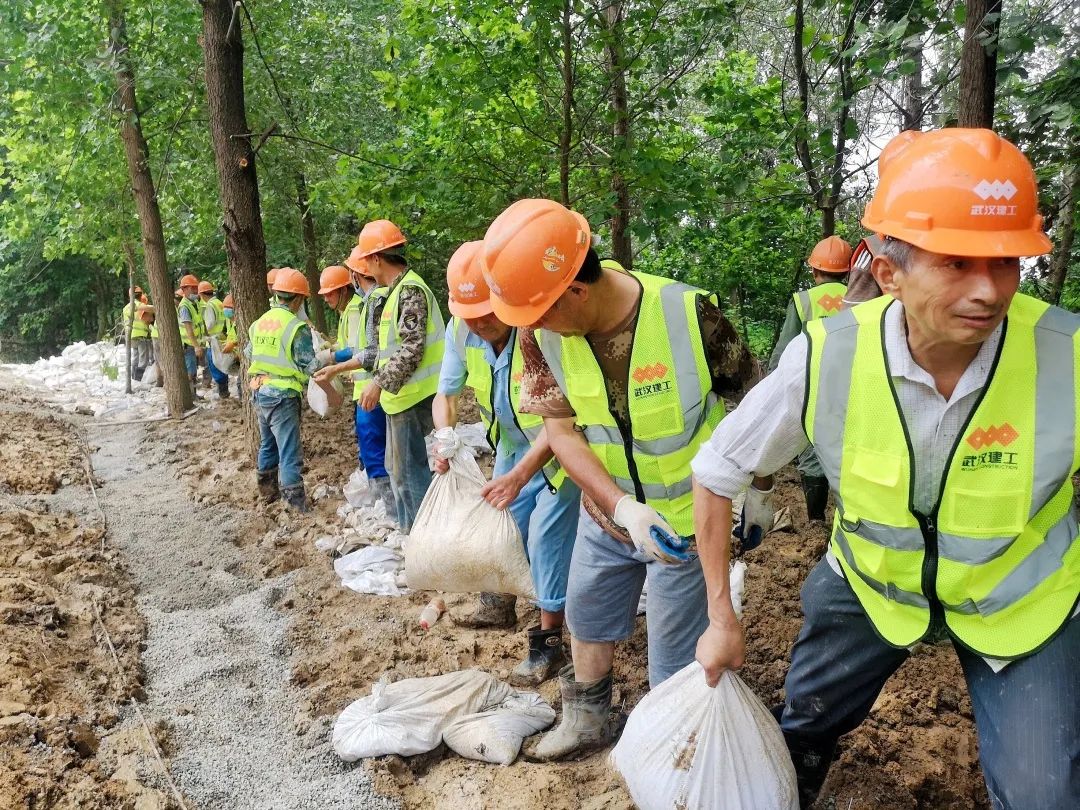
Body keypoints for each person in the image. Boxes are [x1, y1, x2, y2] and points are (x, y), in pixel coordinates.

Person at [690, 128, 1079, 810]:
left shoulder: (1065, 354)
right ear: (889, 270)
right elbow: (718, 469)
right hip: (873, 587)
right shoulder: (828, 356)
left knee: (1045, 793)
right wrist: (721, 617)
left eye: (1007, 263)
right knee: (804, 725)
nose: (989, 291)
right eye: (956, 263)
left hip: (1019, 601)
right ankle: (797, 778)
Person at [481, 198, 752, 760]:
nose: (529, 328)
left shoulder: (688, 313)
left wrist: (762, 489)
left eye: (540, 313)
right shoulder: (540, 335)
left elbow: (753, 401)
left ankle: (674, 747)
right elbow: (561, 431)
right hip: (607, 518)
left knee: (673, 655)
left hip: (686, 523)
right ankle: (588, 720)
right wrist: (621, 506)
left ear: (576, 291)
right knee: (587, 615)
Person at [433, 240, 582, 685]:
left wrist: (522, 476)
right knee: (501, 528)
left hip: (557, 452)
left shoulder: (540, 329)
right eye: (470, 314)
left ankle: (549, 643)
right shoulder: (463, 330)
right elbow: (446, 392)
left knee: (545, 541)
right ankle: (498, 604)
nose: (479, 324)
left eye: (486, 314)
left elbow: (565, 423)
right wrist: (445, 436)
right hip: (511, 450)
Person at [349, 220, 444, 531]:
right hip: (398, 398)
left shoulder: (410, 291)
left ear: (377, 258)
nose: (363, 267)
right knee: (397, 470)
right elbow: (387, 349)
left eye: (365, 259)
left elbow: (412, 347)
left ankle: (423, 540)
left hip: (411, 397)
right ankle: (410, 535)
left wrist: (378, 383)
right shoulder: (393, 292)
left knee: (410, 475)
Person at [768, 235, 853, 522]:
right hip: (854, 387)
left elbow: (784, 350)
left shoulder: (803, 301)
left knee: (812, 453)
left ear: (815, 271)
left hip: (812, 387)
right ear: (849, 272)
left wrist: (772, 386)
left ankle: (817, 519)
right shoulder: (863, 298)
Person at [314, 249, 396, 508]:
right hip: (368, 385)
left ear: (348, 285)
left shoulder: (355, 310)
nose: (326, 299)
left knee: (372, 444)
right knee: (372, 443)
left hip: (369, 386)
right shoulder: (353, 309)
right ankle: (384, 497)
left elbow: (359, 349)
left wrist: (330, 358)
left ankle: (386, 503)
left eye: (329, 293)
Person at [245, 268, 319, 512]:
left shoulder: (259, 323)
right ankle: (295, 504)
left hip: (260, 391)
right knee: (289, 451)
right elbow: (310, 365)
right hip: (283, 396)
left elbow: (248, 353)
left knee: (268, 444)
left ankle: (267, 492)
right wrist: (330, 358)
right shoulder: (296, 327)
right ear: (297, 299)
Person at [198, 280, 230, 398]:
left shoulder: (210, 305)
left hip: (214, 340)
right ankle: (224, 390)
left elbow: (209, 324)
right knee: (222, 364)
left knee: (215, 365)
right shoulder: (219, 302)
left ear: (201, 294)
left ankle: (222, 392)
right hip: (223, 338)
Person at [177, 274, 205, 394]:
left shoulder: (194, 303)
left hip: (195, 343)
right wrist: (196, 346)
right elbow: (189, 329)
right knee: (190, 371)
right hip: (188, 345)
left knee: (193, 370)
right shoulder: (184, 307)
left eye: (196, 288)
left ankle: (193, 394)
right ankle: (191, 395)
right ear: (184, 289)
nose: (195, 290)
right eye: (192, 288)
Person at [121, 285, 152, 381]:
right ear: (139, 295)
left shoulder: (125, 308)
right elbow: (149, 309)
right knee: (143, 359)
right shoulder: (138, 305)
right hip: (140, 335)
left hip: (130, 336)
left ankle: (133, 378)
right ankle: (138, 378)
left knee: (135, 357)